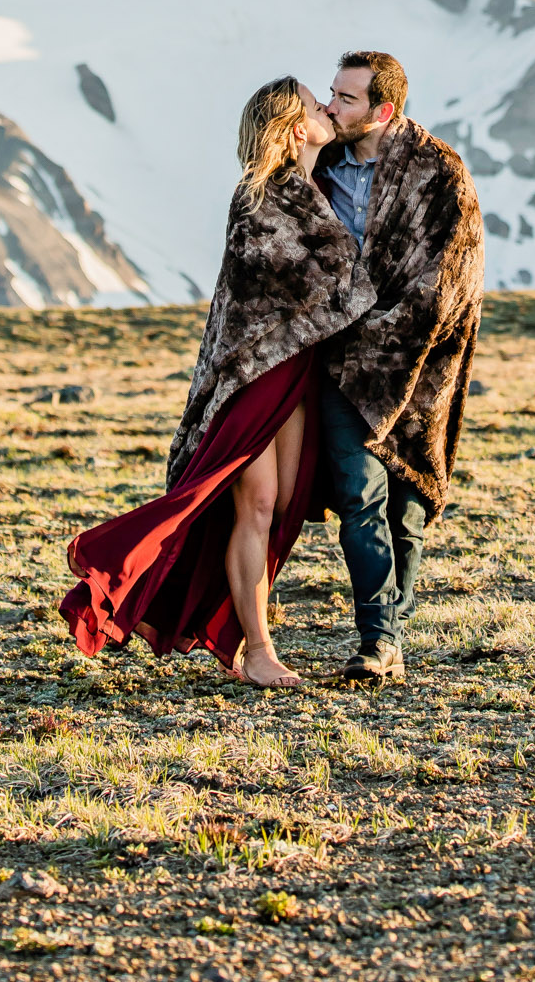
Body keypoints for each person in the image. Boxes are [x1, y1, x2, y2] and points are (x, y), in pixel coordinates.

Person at [60, 77, 371, 688]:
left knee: (279, 507)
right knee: (254, 504)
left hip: (296, 370)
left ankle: (242, 638)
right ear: (290, 126)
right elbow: (302, 282)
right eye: (315, 105)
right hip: (253, 371)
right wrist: (362, 282)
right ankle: (258, 651)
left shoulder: (321, 186)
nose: (327, 110)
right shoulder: (258, 196)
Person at [315, 50, 484, 681]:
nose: (332, 107)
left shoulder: (439, 172)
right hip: (340, 363)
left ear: (383, 111)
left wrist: (386, 334)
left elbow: (451, 275)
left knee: (407, 505)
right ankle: (379, 639)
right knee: (359, 494)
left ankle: (391, 627)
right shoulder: (319, 166)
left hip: (417, 365)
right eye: (332, 94)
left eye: (347, 99)